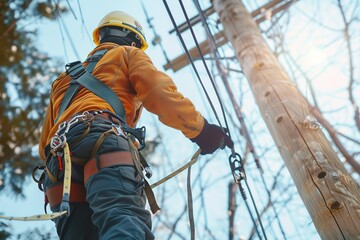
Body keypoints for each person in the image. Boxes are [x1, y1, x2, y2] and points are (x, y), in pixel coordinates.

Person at [39, 11, 233, 240]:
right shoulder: (128, 54)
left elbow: (44, 144)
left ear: (101, 37)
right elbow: (158, 93)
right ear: (134, 41)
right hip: (104, 139)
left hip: (58, 162)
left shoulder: (63, 79)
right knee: (122, 220)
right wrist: (202, 130)